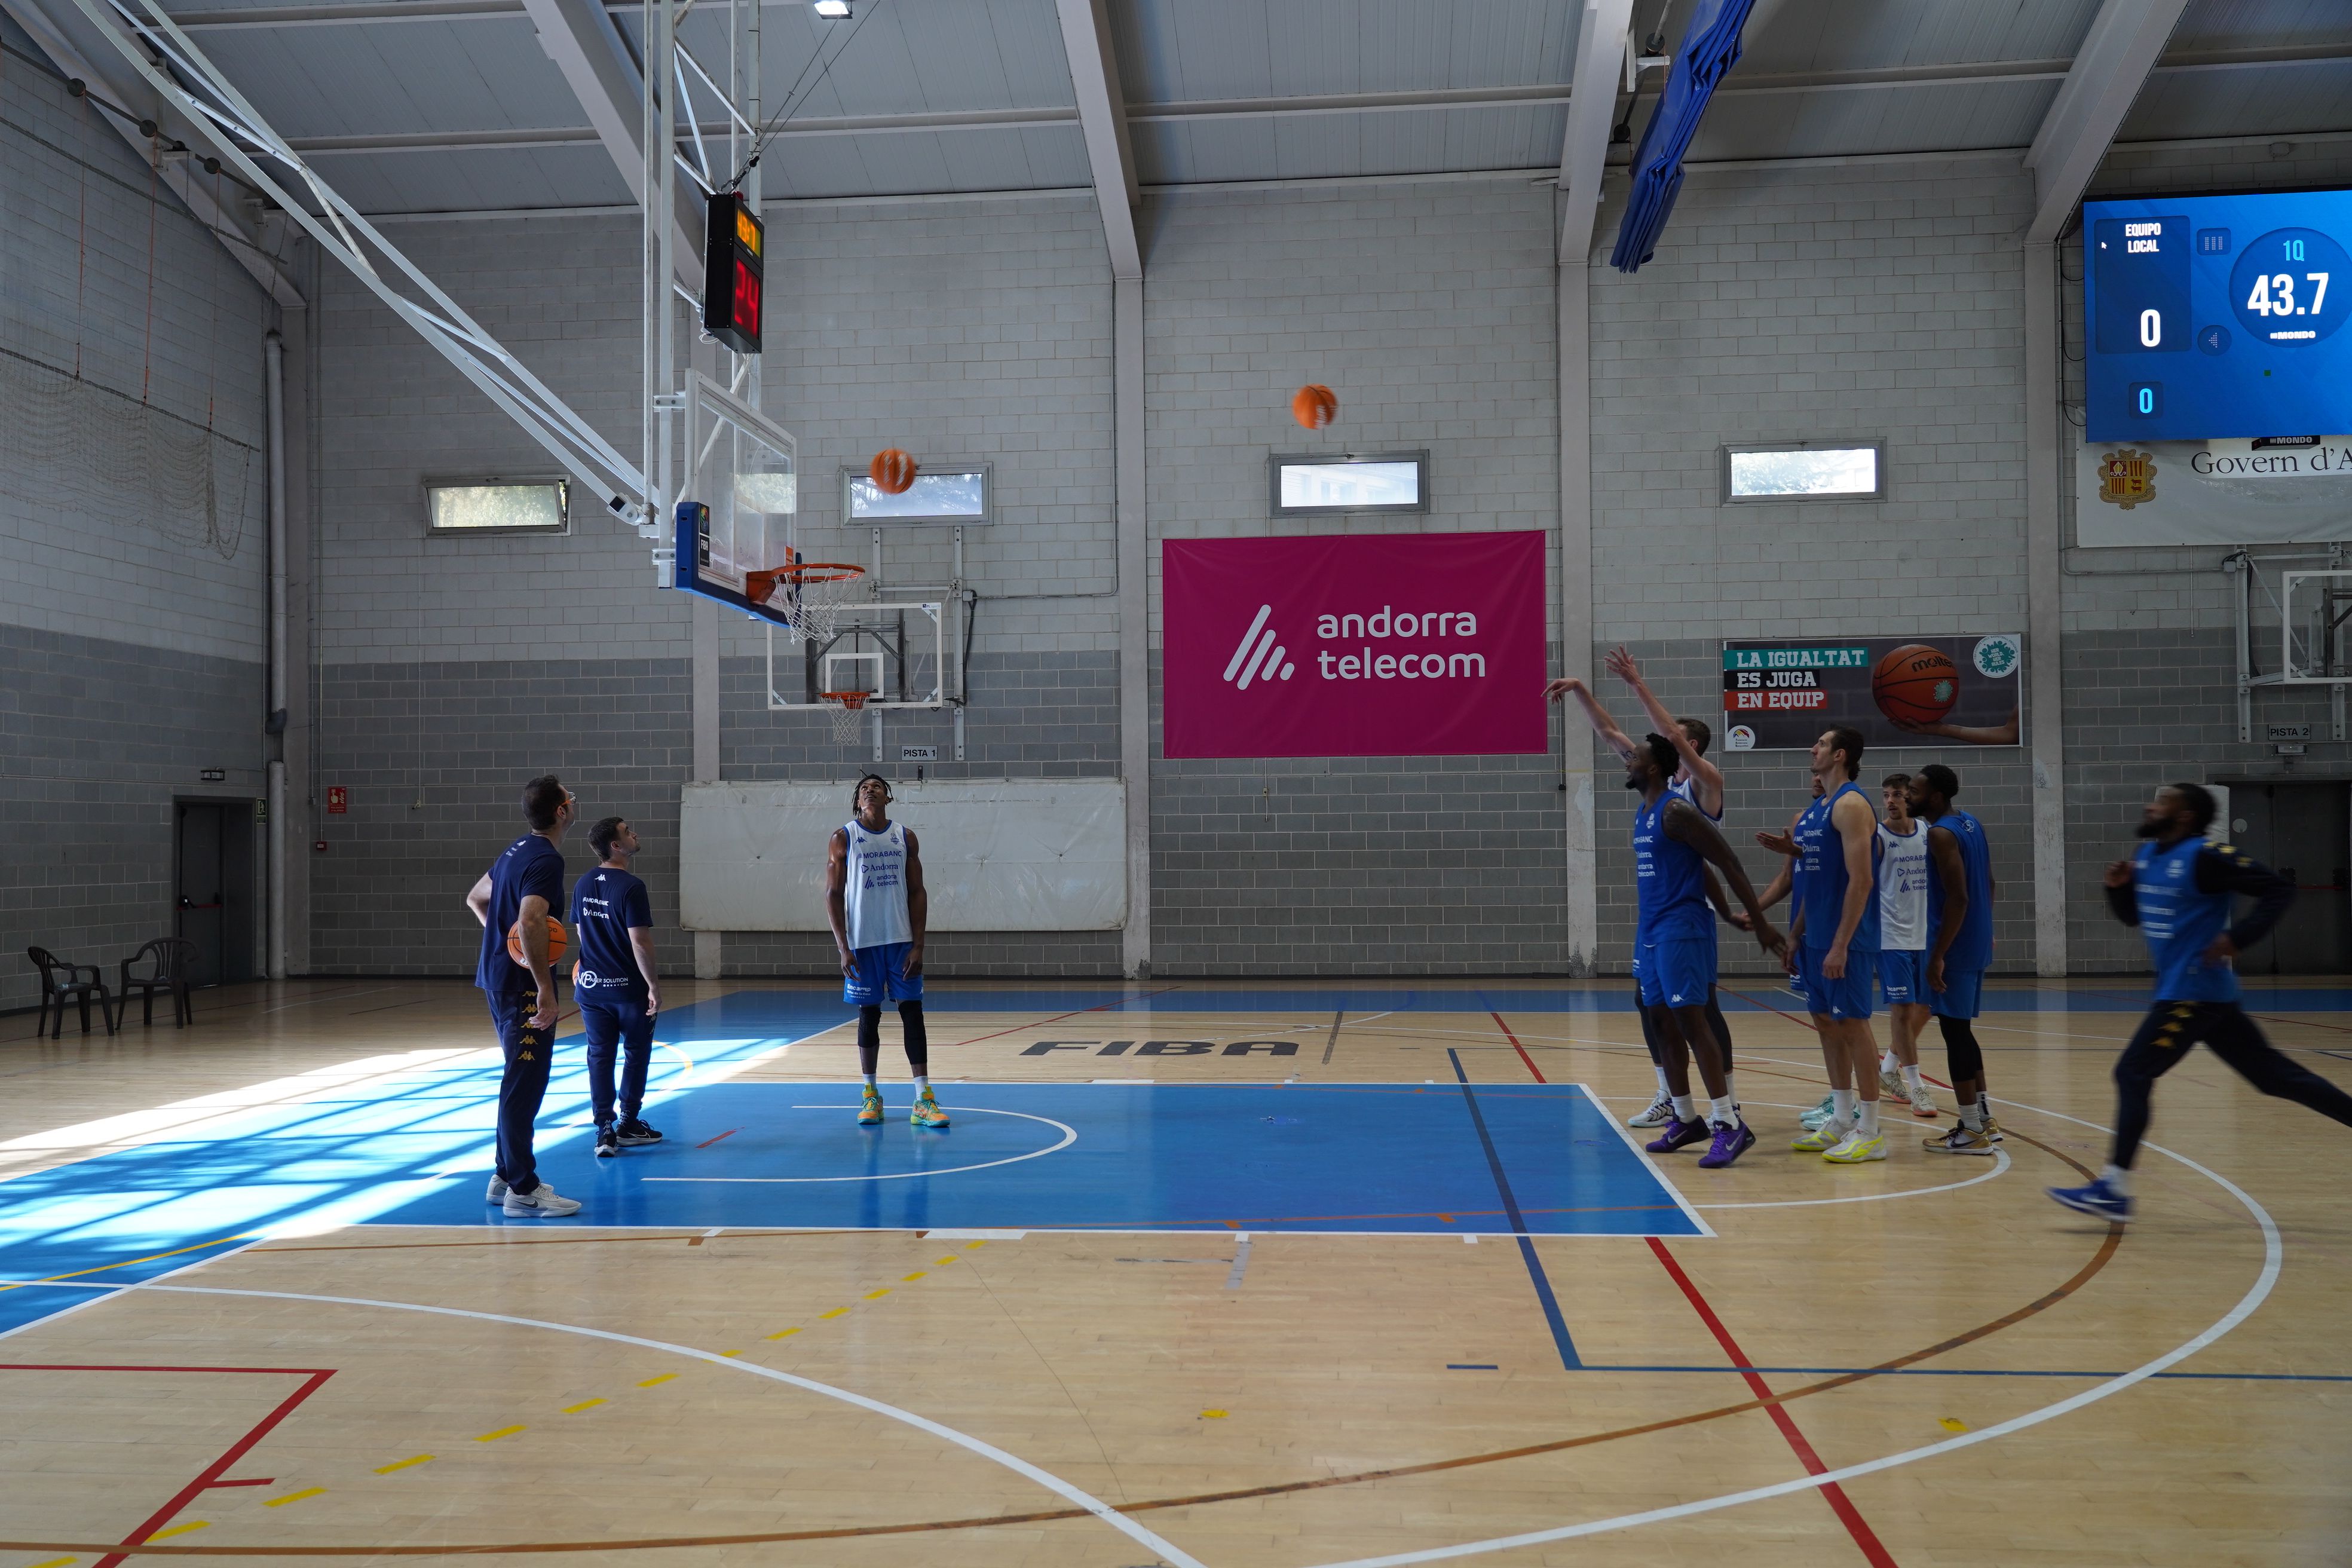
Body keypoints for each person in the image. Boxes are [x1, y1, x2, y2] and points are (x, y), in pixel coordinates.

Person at [2050, 783, 2352, 1221]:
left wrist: (2239, 937)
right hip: (2204, 996)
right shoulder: (2148, 856)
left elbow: (2278, 890)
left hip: (2190, 994)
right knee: (2276, 1078)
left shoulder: (2207, 857)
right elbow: (2136, 917)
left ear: (2186, 815)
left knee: (2133, 1072)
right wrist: (2117, 889)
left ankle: (2114, 1189)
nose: (2149, 805)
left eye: (2162, 802)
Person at [1546, 664, 1745, 1128]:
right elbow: (1609, 731)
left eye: (1663, 736)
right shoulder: (1658, 789)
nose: (1644, 745)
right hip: (1659, 917)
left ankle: (1729, 1105)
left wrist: (1638, 684)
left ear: (1684, 746)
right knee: (1648, 1004)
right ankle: (1669, 1095)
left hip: (1689, 915)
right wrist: (1579, 689)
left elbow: (1668, 732)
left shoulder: (1704, 785)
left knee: (1704, 1011)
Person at [1621, 732, 1786, 1168]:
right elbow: (1697, 868)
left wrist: (1759, 920)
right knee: (1659, 1021)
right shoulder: (1644, 813)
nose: (1626, 762)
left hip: (1682, 929)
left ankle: (1729, 1124)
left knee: (1692, 1022)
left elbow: (1726, 861)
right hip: (1652, 930)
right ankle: (1686, 1118)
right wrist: (1729, 911)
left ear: (1654, 767)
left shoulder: (1677, 812)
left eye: (1633, 758)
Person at [466, 774, 582, 1218]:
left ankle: (503, 1176)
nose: (573, 802)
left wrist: (505, 944)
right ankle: (523, 1189)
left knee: (519, 1076)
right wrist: (545, 988)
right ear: (561, 811)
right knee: (524, 1082)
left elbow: (477, 899)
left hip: (499, 979)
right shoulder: (546, 861)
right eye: (569, 798)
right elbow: (532, 921)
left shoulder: (516, 849)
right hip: (522, 990)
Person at [1786, 727, 1888, 1163]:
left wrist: (1841, 944)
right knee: (1826, 1024)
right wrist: (1796, 934)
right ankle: (1842, 1118)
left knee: (1853, 1025)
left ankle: (1871, 1130)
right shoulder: (1814, 812)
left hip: (1846, 939)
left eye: (1822, 744)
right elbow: (1811, 881)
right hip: (1815, 938)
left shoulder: (1850, 805)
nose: (1813, 748)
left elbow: (1861, 880)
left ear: (1841, 754)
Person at [827, 774, 947, 1128]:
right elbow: (832, 894)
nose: (870, 789)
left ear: (888, 797)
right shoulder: (843, 838)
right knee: (869, 1016)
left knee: (913, 1013)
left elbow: (918, 892)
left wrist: (919, 944)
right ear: (857, 801)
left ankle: (922, 1099)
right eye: (864, 787)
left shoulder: (905, 837)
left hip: (900, 941)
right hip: (863, 944)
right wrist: (843, 948)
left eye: (877, 786)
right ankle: (870, 1095)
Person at [1909, 765, 2001, 1154]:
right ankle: (1984, 1120)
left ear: (1935, 796)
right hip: (1974, 938)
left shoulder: (1940, 834)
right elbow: (1991, 884)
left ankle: (1971, 1130)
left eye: (1915, 790)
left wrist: (1939, 955)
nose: (1909, 795)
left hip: (1955, 946)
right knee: (1962, 1030)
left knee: (1955, 1034)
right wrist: (1984, 928)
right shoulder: (1969, 823)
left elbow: (1959, 898)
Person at [571, 816, 663, 1159]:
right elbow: (639, 942)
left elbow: (581, 932)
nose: (634, 834)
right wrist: (652, 985)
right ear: (615, 845)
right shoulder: (631, 886)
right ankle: (628, 1122)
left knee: (599, 1056)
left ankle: (604, 1130)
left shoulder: (583, 883)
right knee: (636, 1054)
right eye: (628, 832)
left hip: (592, 988)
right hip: (628, 990)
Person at [1873, 773, 1938, 1119]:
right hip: (1891, 937)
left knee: (1926, 1008)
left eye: (1897, 795)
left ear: (1909, 798)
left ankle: (1887, 1067)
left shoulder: (1928, 832)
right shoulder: (1878, 836)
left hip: (1925, 934)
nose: (1890, 801)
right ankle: (1917, 1088)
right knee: (1902, 1010)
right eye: (1885, 796)